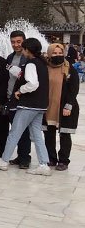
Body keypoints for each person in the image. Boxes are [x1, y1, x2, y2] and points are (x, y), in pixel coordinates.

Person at [0, 38, 51, 175]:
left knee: (14, 132)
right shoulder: (41, 63)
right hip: (40, 106)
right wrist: (12, 69)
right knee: (37, 135)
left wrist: (20, 90)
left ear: (27, 50)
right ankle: (44, 164)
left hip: (28, 105)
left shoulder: (31, 64)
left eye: (23, 49)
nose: (21, 51)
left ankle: (4, 161)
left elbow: (33, 83)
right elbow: (25, 75)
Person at [43, 43, 78, 171]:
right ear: (49, 53)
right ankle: (51, 158)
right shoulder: (45, 67)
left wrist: (68, 106)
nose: (57, 55)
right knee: (49, 134)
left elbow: (73, 90)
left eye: (60, 53)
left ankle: (63, 160)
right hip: (48, 106)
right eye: (54, 53)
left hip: (65, 107)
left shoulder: (69, 68)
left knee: (65, 134)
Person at [6, 30, 31, 169]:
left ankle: (25, 158)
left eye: (18, 42)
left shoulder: (28, 58)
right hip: (11, 98)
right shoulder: (10, 57)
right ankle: (20, 155)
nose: (16, 45)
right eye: (13, 42)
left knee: (23, 129)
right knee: (15, 129)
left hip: (23, 98)